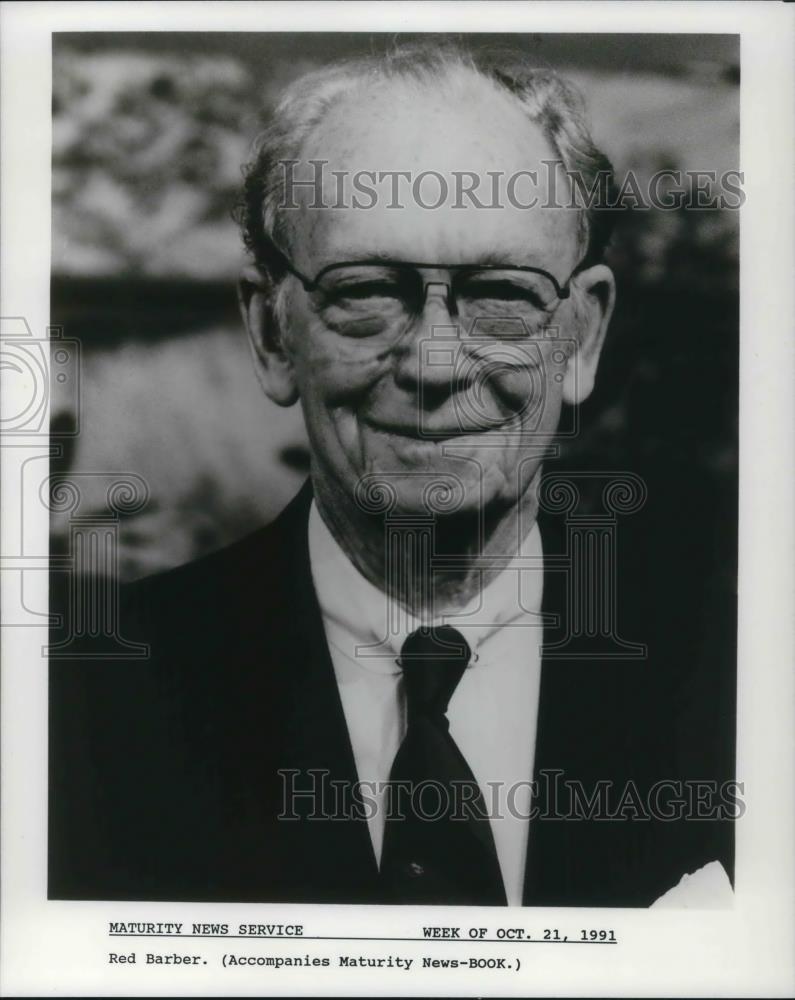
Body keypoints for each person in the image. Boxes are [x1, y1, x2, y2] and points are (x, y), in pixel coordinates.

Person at [49, 43, 735, 906]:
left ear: (582, 337)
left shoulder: (740, 675)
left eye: (501, 292)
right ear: (271, 333)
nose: (435, 365)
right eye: (368, 290)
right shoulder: (72, 702)